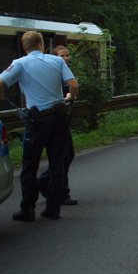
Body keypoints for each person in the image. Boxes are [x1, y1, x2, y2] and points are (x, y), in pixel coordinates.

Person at [0, 31, 78, 220]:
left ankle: (28, 209)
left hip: (38, 121)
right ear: (42, 45)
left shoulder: (21, 63)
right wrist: (70, 97)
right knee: (57, 165)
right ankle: (53, 209)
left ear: (25, 47)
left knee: (30, 165)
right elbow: (73, 84)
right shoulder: (57, 62)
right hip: (60, 118)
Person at [37, 45, 77, 206]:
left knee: (67, 155)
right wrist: (68, 97)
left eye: (67, 55)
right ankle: (54, 187)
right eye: (62, 55)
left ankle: (57, 188)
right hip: (55, 117)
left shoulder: (66, 72)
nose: (66, 58)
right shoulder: (55, 73)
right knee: (63, 156)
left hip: (63, 117)